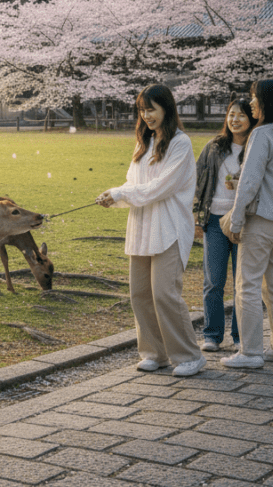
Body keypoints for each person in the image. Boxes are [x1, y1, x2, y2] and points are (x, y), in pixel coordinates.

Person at [97, 84, 206, 377]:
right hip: (141, 226)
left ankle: (189, 355)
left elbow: (161, 187)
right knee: (140, 293)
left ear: (166, 109)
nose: (146, 116)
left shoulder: (180, 143)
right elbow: (133, 184)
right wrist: (114, 195)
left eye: (152, 109)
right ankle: (155, 353)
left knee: (164, 294)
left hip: (168, 227)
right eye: (142, 110)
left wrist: (121, 194)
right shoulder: (143, 143)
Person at [219, 79, 273, 369]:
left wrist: (237, 219)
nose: (250, 103)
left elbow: (250, 182)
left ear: (266, 102)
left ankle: (250, 352)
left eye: (254, 98)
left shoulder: (262, 133)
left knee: (248, 286)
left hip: (262, 221)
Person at [193, 97, 257, 352]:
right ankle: (212, 335)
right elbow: (197, 180)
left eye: (241, 115)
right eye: (231, 114)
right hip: (215, 220)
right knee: (213, 281)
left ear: (251, 119)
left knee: (242, 282)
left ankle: (240, 336)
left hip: (245, 222)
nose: (235, 120)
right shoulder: (214, 147)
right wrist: (196, 216)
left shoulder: (256, 147)